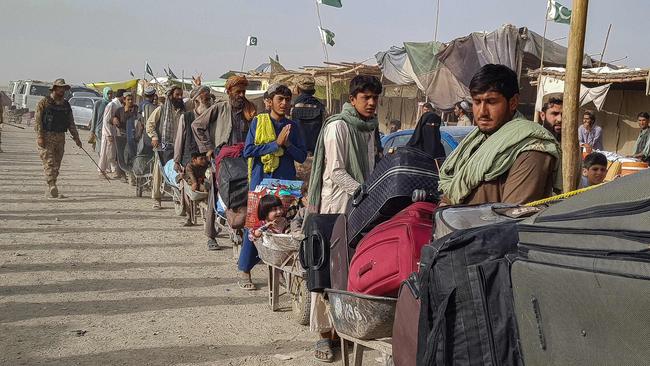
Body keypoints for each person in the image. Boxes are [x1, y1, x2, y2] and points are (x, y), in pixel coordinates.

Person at [306, 75, 381, 362]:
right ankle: (324, 335)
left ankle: (345, 329)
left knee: (351, 269)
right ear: (352, 99)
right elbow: (336, 172)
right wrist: (365, 192)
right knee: (326, 269)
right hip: (334, 209)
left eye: (375, 97)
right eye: (366, 97)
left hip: (361, 209)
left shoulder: (371, 128)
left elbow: (373, 164)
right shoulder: (338, 126)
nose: (372, 102)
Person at [438, 64, 562, 206]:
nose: (482, 112)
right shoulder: (476, 141)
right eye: (477, 102)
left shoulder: (532, 148)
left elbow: (510, 217)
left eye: (491, 102)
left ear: (513, 102)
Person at [240, 83, 307, 290]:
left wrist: (287, 145)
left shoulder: (293, 127)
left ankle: (279, 269)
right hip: (261, 182)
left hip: (284, 184)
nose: (284, 103)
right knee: (255, 225)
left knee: (282, 226)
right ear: (269, 102)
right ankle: (245, 270)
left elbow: (302, 156)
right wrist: (275, 144)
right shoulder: (258, 122)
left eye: (287, 100)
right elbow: (248, 151)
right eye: (280, 99)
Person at [192, 75, 257, 251]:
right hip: (223, 158)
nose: (241, 95)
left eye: (244, 91)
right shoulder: (219, 108)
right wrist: (208, 148)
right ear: (229, 92)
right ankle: (211, 235)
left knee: (247, 192)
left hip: (245, 157)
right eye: (238, 92)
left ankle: (246, 234)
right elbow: (197, 125)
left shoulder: (251, 110)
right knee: (217, 190)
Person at [34, 78, 83, 198]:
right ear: (54, 88)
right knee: (49, 161)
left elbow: (71, 122)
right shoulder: (44, 102)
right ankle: (51, 185)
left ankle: (52, 184)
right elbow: (38, 121)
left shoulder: (66, 105)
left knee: (57, 163)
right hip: (47, 136)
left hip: (60, 137)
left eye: (64, 89)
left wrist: (76, 138)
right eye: (60, 88)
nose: (62, 91)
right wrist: (40, 136)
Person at [146, 85, 186, 209]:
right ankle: (156, 198)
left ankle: (180, 195)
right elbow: (150, 124)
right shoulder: (161, 109)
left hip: (180, 145)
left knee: (181, 169)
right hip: (163, 144)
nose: (179, 97)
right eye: (177, 95)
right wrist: (154, 137)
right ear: (170, 96)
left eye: (181, 95)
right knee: (159, 169)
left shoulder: (185, 111)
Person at [173, 86, 212, 171]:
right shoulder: (186, 117)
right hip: (189, 162)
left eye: (209, 100)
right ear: (196, 102)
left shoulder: (212, 117)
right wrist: (176, 162)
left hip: (207, 162)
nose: (209, 103)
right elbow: (179, 140)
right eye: (206, 100)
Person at [291, 75, 326, 154]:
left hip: (298, 155)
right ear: (313, 90)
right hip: (317, 155)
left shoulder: (290, 109)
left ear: (298, 89)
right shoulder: (322, 108)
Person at [98, 89, 125, 180]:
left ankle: (113, 171)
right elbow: (106, 120)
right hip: (108, 133)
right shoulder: (111, 105)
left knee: (111, 153)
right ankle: (101, 170)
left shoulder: (118, 104)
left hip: (113, 132)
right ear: (122, 96)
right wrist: (109, 134)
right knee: (105, 153)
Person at [115, 92, 139, 185]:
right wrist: (114, 120)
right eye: (128, 99)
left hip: (133, 137)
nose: (130, 101)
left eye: (131, 99)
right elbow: (112, 119)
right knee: (121, 156)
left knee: (132, 156)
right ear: (124, 100)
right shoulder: (119, 110)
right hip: (122, 136)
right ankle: (122, 175)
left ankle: (133, 176)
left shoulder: (136, 109)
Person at [89, 87, 113, 153]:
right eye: (108, 93)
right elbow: (94, 118)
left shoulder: (112, 104)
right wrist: (92, 131)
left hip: (109, 131)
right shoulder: (98, 104)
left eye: (111, 93)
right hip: (99, 131)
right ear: (104, 93)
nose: (109, 95)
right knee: (101, 151)